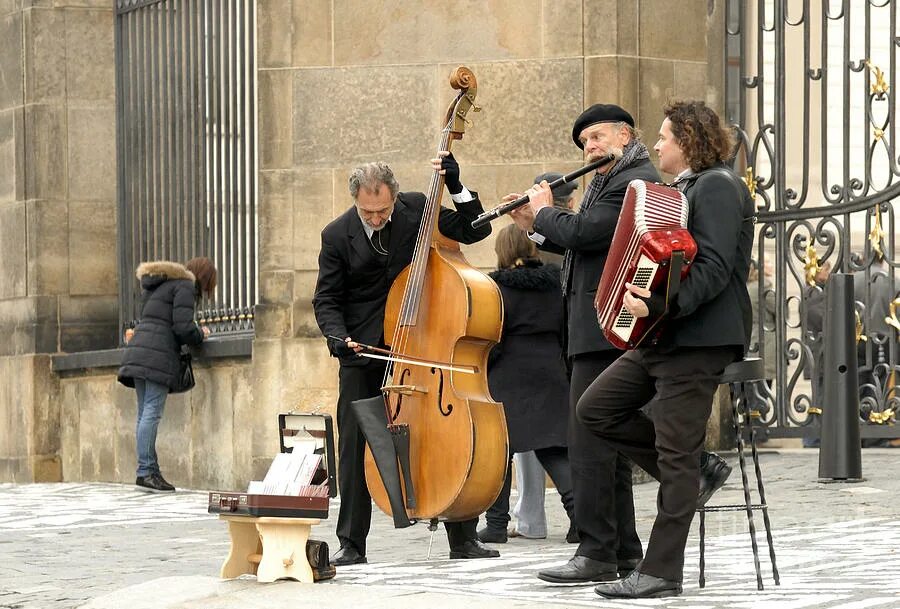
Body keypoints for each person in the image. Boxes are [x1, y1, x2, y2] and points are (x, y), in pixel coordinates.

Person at [579, 100, 754, 599]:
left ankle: (660, 572)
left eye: (664, 137)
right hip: (667, 334)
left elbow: (715, 271)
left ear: (689, 141)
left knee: (675, 456)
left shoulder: (719, 187)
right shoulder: (687, 188)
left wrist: (656, 305)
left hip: (699, 339)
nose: (656, 145)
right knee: (597, 408)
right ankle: (699, 471)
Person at [312, 157, 498, 566]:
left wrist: (456, 183)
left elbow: (476, 228)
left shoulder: (417, 208)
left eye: (383, 210)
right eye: (367, 212)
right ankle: (352, 543)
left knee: (440, 435)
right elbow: (326, 299)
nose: (376, 218)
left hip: (421, 345)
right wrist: (338, 338)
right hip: (364, 353)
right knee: (356, 442)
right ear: (355, 202)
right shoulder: (336, 235)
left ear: (394, 196)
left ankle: (462, 536)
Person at [506, 103, 658, 583]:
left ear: (625, 135)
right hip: (591, 328)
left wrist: (547, 209)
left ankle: (596, 552)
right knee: (601, 442)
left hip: (604, 329)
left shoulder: (635, 179)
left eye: (596, 137)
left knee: (587, 443)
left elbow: (589, 232)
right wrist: (533, 221)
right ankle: (622, 551)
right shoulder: (612, 180)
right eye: (585, 142)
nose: (590, 147)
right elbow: (579, 243)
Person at [476, 224, 575, 544]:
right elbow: (566, 330)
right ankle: (581, 520)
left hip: (508, 377)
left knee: (498, 453)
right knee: (555, 450)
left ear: (501, 252)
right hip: (549, 373)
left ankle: (495, 525)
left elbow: (494, 339)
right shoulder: (556, 282)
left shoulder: (494, 288)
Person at [118, 257, 217, 493]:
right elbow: (182, 326)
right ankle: (146, 472)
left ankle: (148, 471)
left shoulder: (160, 286)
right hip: (156, 355)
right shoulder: (184, 286)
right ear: (204, 278)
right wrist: (200, 334)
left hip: (140, 351)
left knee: (144, 413)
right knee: (151, 412)